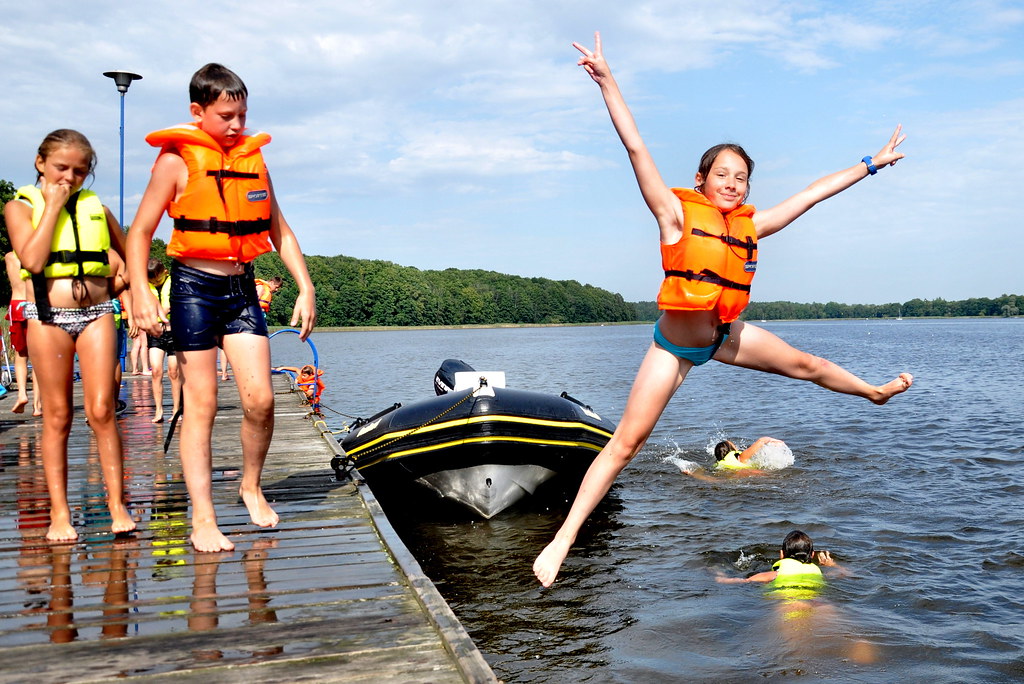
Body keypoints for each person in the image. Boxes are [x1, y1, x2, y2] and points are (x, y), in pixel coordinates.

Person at [533, 33, 913, 587]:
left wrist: (869, 165)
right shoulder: (673, 214)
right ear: (701, 181)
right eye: (722, 175)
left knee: (806, 364)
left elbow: (810, 194)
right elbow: (636, 148)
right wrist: (607, 81)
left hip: (724, 333)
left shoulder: (751, 226)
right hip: (674, 347)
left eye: (742, 178)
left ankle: (874, 392)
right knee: (627, 443)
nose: (733, 184)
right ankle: (562, 539)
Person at [128, 63, 316, 552]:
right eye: (227, 115)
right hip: (192, 288)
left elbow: (280, 231)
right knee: (203, 405)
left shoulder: (256, 163)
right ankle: (203, 519)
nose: (237, 125)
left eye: (243, 115)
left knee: (261, 401)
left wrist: (305, 286)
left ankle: (250, 486)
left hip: (241, 291)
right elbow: (140, 232)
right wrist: (142, 293)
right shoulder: (175, 162)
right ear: (198, 111)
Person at [3, 128, 136, 541]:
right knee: (58, 416)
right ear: (41, 163)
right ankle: (60, 513)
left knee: (101, 411)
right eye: (61, 168)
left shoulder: (95, 206)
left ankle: (117, 504)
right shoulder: (20, 207)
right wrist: (54, 205)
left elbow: (131, 247)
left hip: (97, 313)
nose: (70, 178)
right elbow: (34, 258)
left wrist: (130, 286)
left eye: (80, 171)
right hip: (48, 316)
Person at [715, 530, 840, 588]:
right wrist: (833, 565)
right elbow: (845, 574)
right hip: (818, 602)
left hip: (788, 604)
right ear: (812, 555)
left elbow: (745, 581)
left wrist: (720, 578)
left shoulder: (776, 574)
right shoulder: (817, 573)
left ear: (781, 554)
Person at [5, 252, 41, 415]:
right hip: (34, 303)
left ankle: (21, 394)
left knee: (20, 355)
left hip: (16, 304)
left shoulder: (9, 257)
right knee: (38, 358)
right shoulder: (36, 255)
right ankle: (37, 406)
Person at [145, 259, 180, 423]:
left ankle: (176, 409)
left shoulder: (174, 281)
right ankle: (159, 410)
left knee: (174, 372)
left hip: (174, 331)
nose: (155, 283)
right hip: (156, 333)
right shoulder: (145, 287)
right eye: (152, 281)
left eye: (157, 280)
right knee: (156, 370)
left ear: (164, 272)